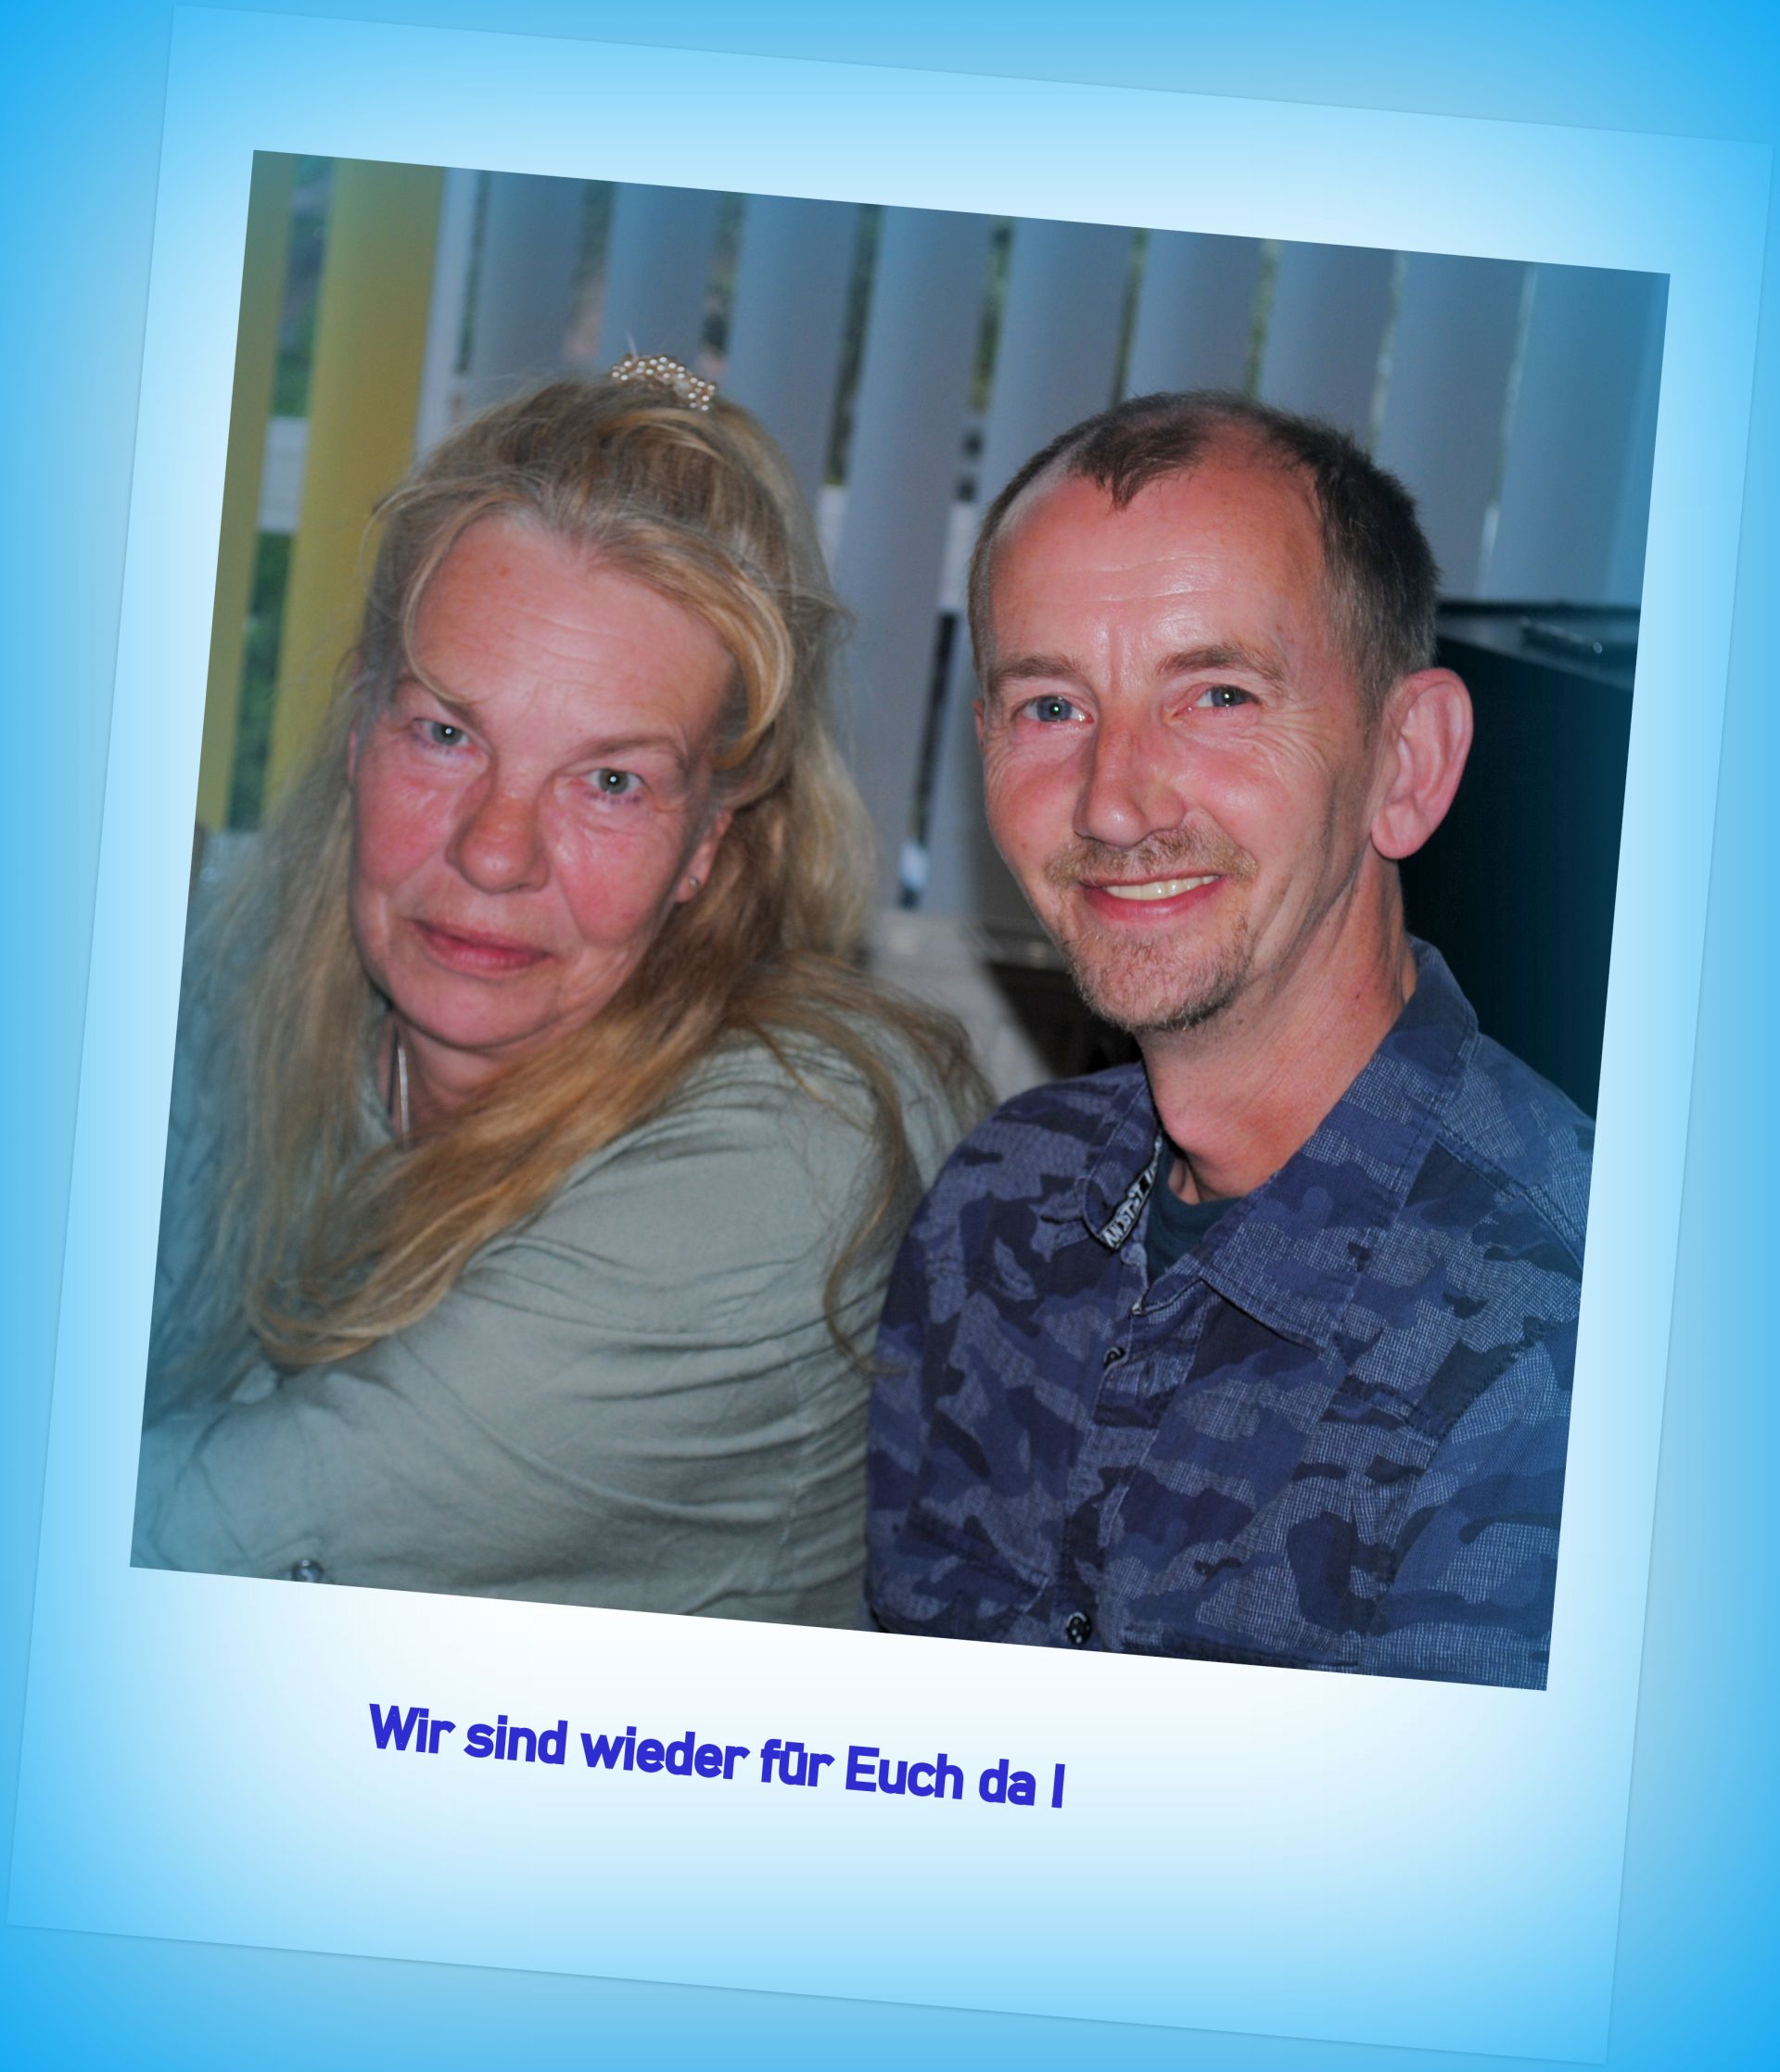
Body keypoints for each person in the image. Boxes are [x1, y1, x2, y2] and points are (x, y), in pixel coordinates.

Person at [134, 362, 981, 1623]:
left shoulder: (792, 1158)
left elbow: (199, 1536)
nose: (494, 852)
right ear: (362, 728)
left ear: (709, 839)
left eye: (611, 782)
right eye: (446, 734)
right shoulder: (231, 977)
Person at [866, 391, 1590, 1687]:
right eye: (1051, 707)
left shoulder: (1569, 1339)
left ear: (1407, 762)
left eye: (1217, 694)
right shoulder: (998, 1204)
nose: (1114, 801)